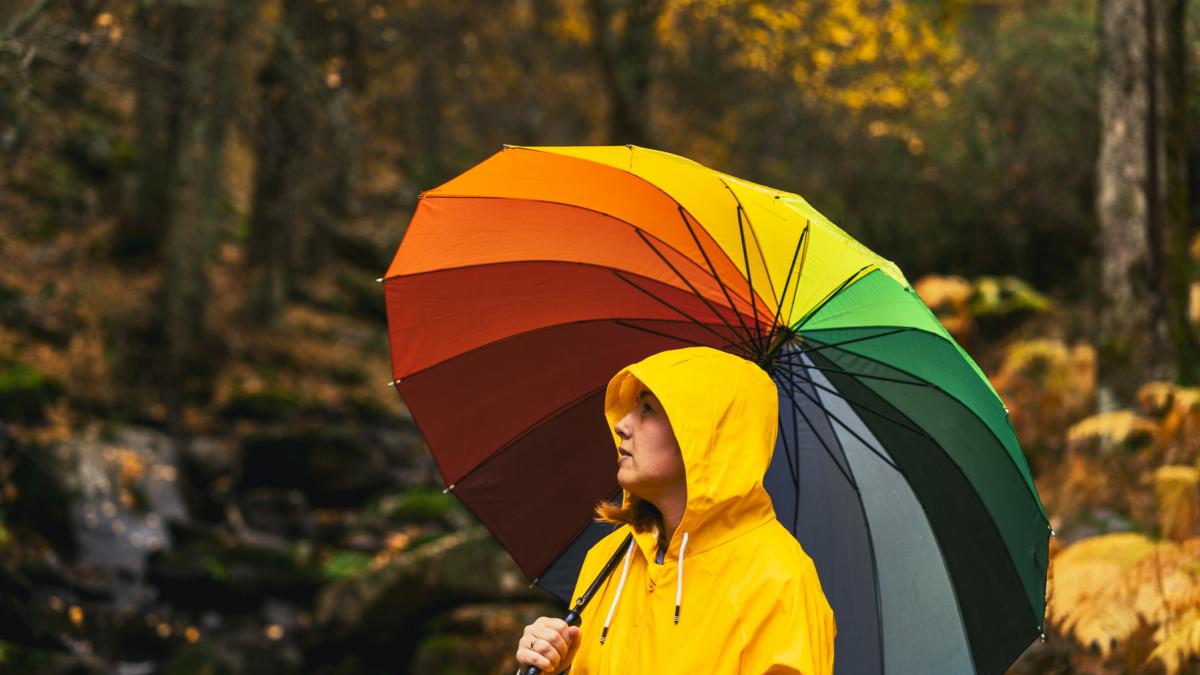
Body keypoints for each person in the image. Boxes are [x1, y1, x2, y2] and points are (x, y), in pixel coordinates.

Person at [514, 346, 836, 674]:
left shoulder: (778, 581)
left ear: (705, 433)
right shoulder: (607, 560)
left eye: (648, 409)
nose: (621, 425)